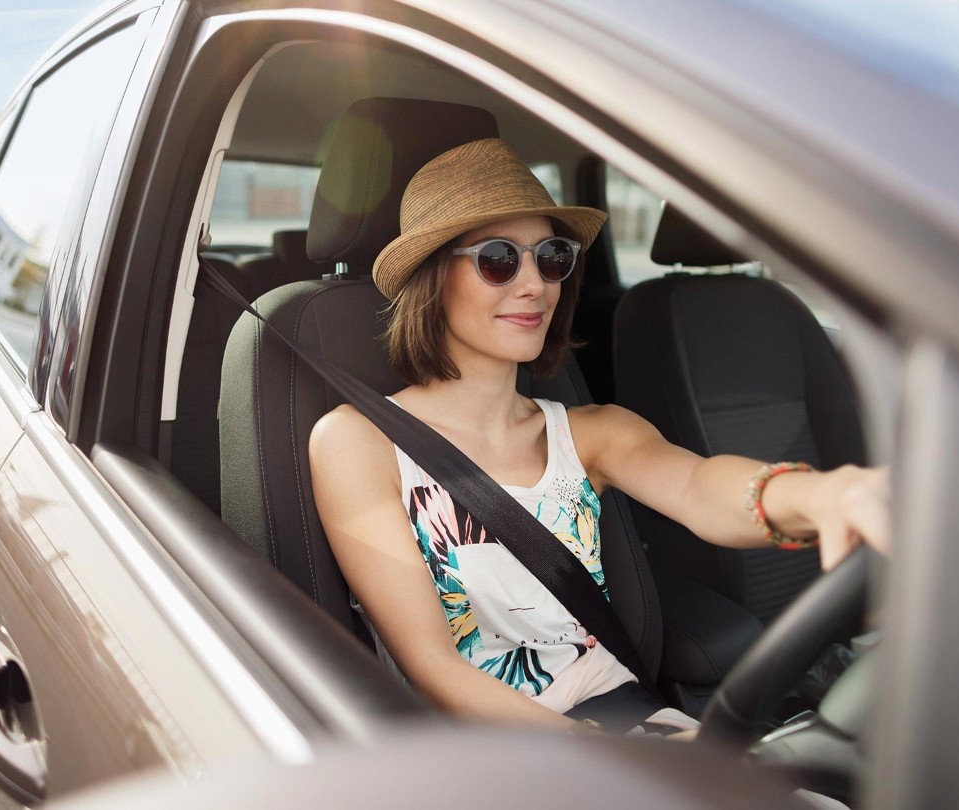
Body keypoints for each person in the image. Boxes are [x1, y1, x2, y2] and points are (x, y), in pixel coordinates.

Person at [309, 138, 890, 736]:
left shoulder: (592, 432)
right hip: (495, 759)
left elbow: (698, 486)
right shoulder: (358, 443)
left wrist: (823, 497)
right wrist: (606, 761)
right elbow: (433, 666)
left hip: (635, 723)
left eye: (551, 257)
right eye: (500, 259)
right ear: (433, 276)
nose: (535, 284)